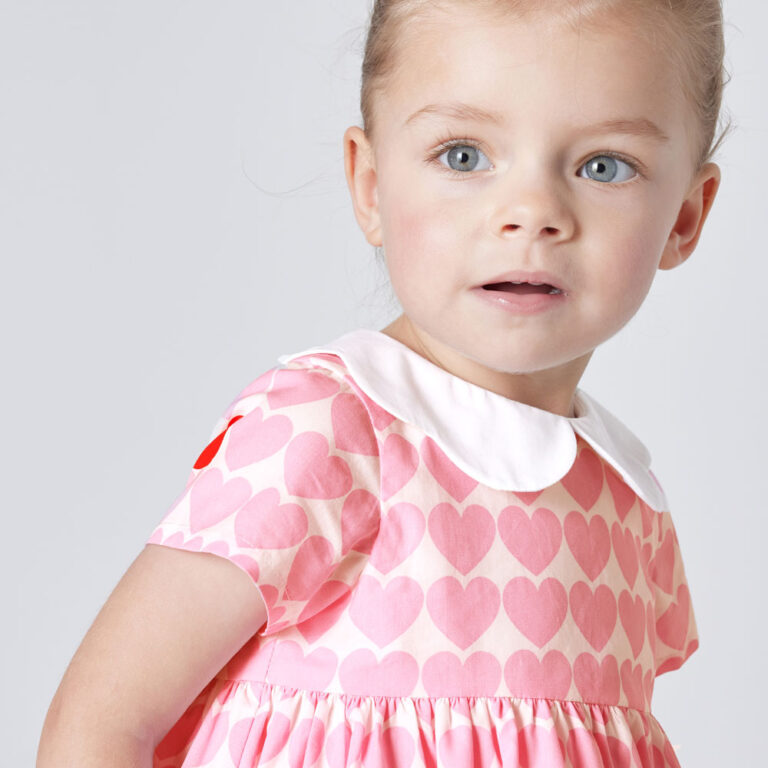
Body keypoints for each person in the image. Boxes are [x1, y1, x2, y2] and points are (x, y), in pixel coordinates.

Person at [37, 0, 730, 766]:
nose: (532, 213)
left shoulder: (626, 498)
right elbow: (100, 722)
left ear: (684, 218)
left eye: (604, 166)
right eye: (464, 156)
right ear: (371, 185)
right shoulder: (329, 432)